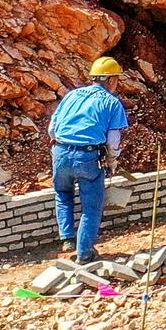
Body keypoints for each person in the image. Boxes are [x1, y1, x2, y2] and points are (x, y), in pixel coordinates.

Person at [48, 56, 129, 263]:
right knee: (91, 207)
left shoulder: (72, 95)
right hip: (89, 156)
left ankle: (67, 238)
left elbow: (52, 129)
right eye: (116, 80)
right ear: (111, 80)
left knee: (63, 194)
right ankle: (84, 253)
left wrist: (62, 149)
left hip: (61, 152)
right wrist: (112, 161)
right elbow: (113, 141)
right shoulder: (112, 103)